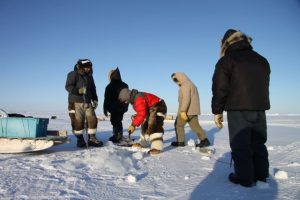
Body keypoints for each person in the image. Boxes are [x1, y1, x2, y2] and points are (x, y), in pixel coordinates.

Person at [212, 29, 270, 187]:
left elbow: (220, 88)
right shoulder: (261, 60)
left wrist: (217, 111)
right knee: (258, 143)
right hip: (259, 109)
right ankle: (261, 176)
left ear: (225, 43)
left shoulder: (227, 60)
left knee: (241, 145)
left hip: (238, 109)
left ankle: (244, 178)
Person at [65, 59, 103, 148]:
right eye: (87, 67)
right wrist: (78, 91)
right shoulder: (73, 74)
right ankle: (80, 140)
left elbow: (93, 89)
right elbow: (68, 86)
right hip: (75, 102)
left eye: (90, 67)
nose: (89, 69)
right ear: (81, 67)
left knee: (92, 119)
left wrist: (95, 99)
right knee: (78, 122)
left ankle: (92, 139)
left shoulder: (90, 76)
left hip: (87, 101)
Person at [118, 88, 167, 155]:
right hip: (150, 109)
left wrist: (133, 125)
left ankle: (156, 147)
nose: (126, 103)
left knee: (153, 124)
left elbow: (142, 113)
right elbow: (141, 111)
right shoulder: (135, 99)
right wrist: (136, 118)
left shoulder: (138, 98)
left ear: (127, 97)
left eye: (126, 101)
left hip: (159, 106)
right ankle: (143, 142)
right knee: (145, 125)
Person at [171, 72, 210, 148]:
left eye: (176, 79)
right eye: (174, 80)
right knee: (195, 126)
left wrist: (183, 111)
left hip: (186, 111)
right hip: (193, 111)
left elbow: (186, 99)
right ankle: (204, 140)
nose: (175, 81)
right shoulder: (191, 84)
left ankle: (180, 142)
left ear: (180, 77)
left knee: (178, 125)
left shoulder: (185, 85)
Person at [103, 67, 129, 143]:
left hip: (114, 108)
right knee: (119, 120)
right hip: (123, 107)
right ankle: (119, 135)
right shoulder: (125, 85)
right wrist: (126, 107)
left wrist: (105, 108)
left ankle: (117, 136)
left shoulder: (109, 86)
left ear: (111, 76)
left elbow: (107, 99)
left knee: (115, 121)